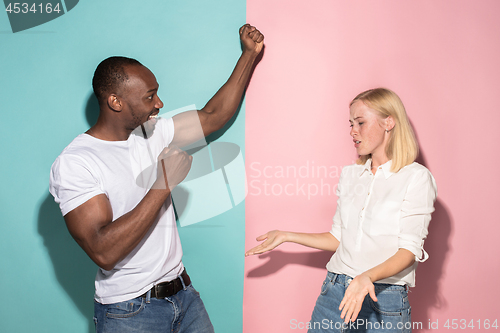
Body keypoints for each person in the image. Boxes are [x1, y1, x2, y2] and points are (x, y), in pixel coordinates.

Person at [49, 24, 264, 332]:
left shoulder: (152, 131)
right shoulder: (77, 162)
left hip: (184, 297)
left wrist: (248, 55)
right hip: (130, 311)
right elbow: (103, 251)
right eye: (150, 97)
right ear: (115, 102)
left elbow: (214, 115)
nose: (159, 103)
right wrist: (163, 183)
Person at [245, 88, 437, 333]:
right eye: (350, 124)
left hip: (384, 300)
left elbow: (409, 251)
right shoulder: (350, 175)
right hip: (335, 293)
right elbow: (339, 238)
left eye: (360, 122)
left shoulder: (417, 178)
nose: (352, 131)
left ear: (389, 122)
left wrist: (366, 277)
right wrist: (286, 235)